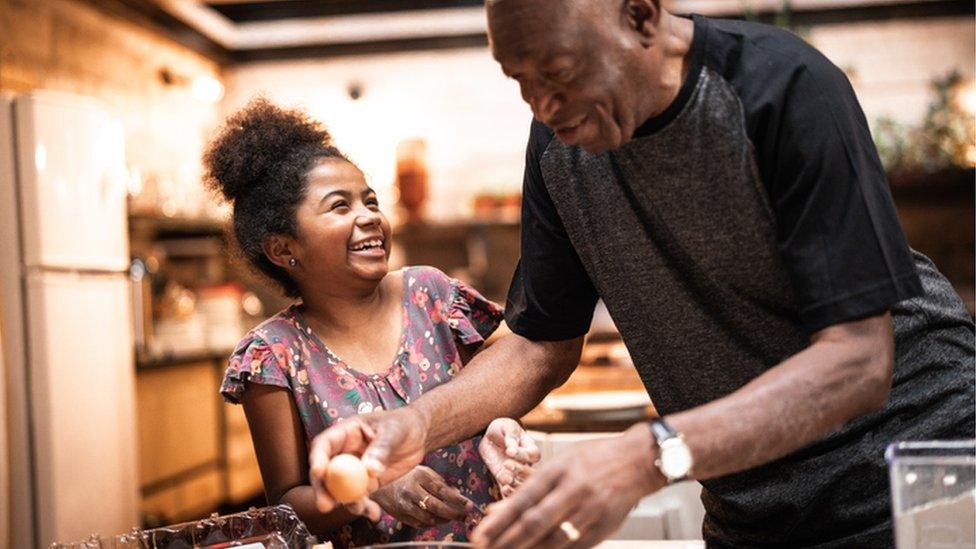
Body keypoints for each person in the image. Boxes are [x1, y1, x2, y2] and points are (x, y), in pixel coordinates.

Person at [308, 1, 976, 547]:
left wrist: (646, 453)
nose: (544, 104)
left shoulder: (782, 88)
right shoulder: (558, 149)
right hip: (752, 506)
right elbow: (541, 341)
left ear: (642, 16)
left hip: (915, 476)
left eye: (560, 72)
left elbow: (859, 360)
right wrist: (416, 424)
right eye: (522, 83)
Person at [203, 98, 540, 548]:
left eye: (371, 201)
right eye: (340, 207)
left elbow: (497, 383)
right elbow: (284, 508)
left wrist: (501, 425)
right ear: (284, 249)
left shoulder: (432, 295)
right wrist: (366, 488)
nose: (369, 217)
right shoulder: (274, 355)